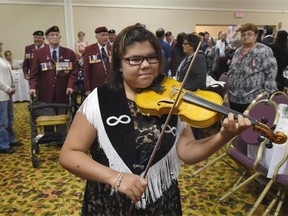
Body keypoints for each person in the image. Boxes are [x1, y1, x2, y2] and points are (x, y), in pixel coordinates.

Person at [59, 25, 251, 215]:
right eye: (135, 59)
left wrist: (224, 136)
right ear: (119, 65)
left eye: (152, 58)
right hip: (110, 202)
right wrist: (116, 178)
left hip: (161, 200)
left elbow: (187, 151)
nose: (145, 65)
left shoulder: (173, 97)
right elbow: (69, 154)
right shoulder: (100, 99)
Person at [29, 26, 77, 136]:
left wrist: (70, 86)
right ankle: (49, 137)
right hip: (46, 92)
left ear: (60, 37)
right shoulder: (39, 53)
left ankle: (61, 137)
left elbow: (73, 73)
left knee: (62, 117)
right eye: (51, 35)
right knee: (48, 117)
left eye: (57, 35)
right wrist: (32, 87)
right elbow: (34, 74)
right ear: (46, 38)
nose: (54, 37)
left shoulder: (69, 53)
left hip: (63, 92)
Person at [227, 23, 278, 113]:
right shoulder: (238, 51)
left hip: (253, 99)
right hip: (233, 98)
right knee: (235, 124)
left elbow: (271, 73)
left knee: (249, 125)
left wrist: (267, 95)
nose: (246, 37)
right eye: (243, 35)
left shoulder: (263, 50)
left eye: (249, 34)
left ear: (256, 36)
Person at [0, 41, 22, 154]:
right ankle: (3, 145)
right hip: (2, 95)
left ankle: (11, 139)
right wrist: (9, 89)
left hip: (7, 94)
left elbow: (7, 74)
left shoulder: (2, 59)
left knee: (9, 119)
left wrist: (12, 85)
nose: (1, 46)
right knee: (2, 122)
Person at [83, 26, 112, 96]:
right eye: (102, 35)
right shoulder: (89, 50)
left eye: (106, 35)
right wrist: (87, 89)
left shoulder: (112, 49)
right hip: (96, 87)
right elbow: (86, 71)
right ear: (96, 37)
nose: (105, 37)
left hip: (112, 86)